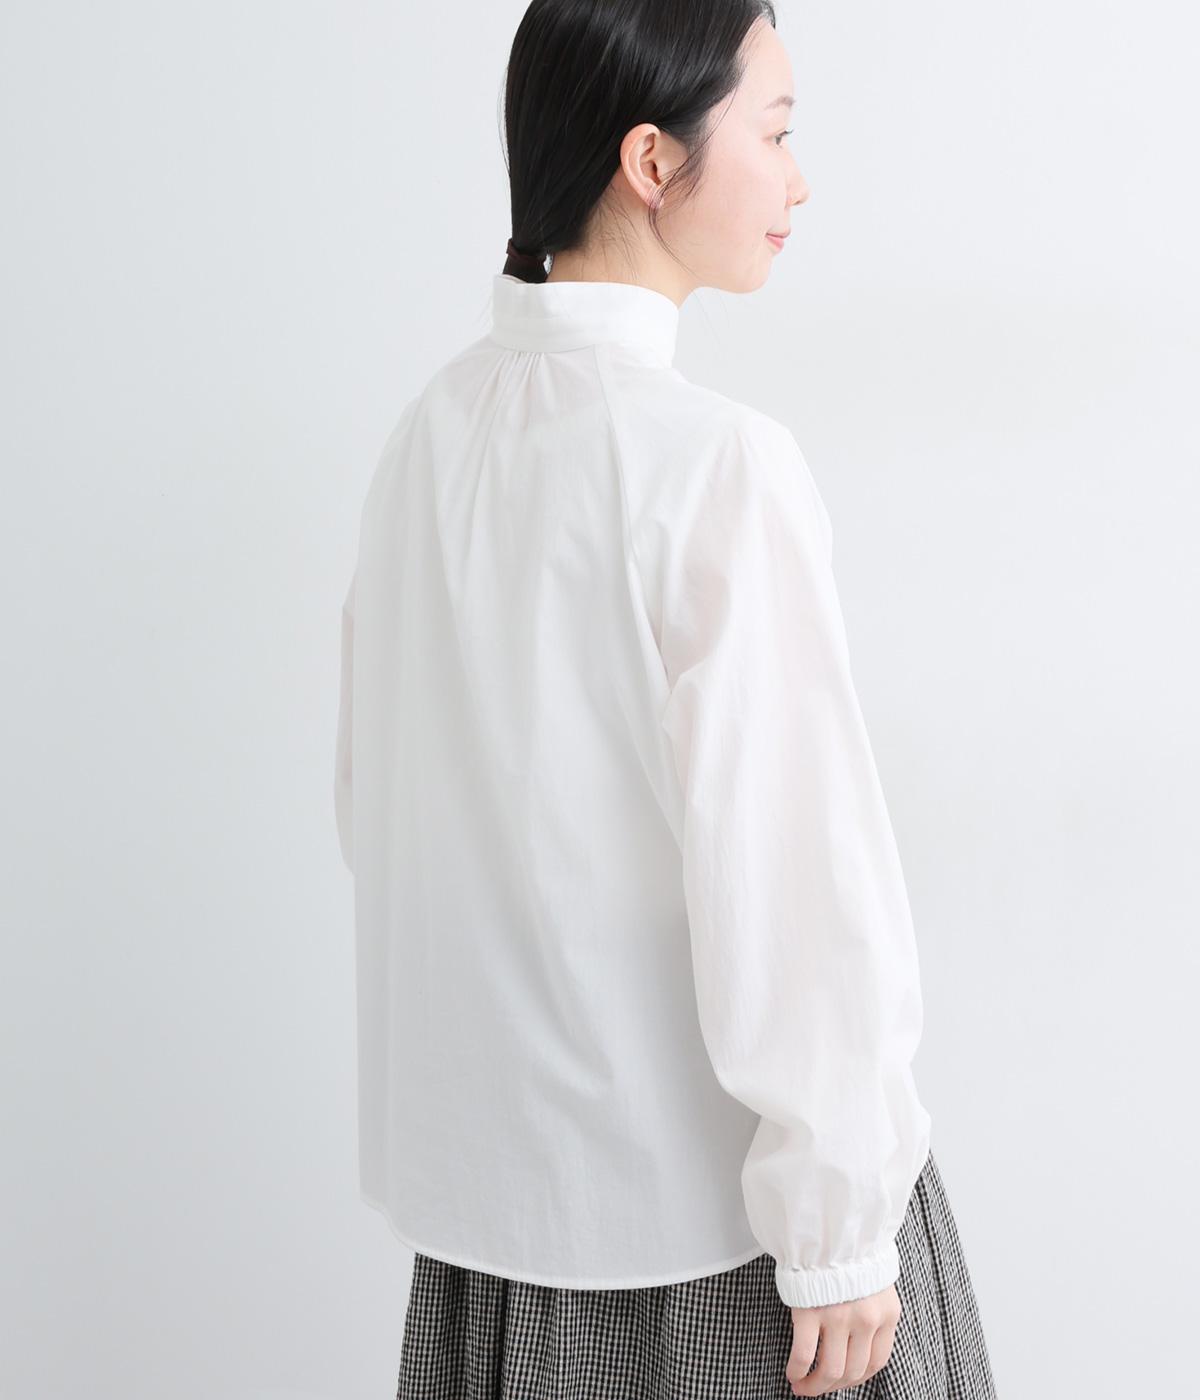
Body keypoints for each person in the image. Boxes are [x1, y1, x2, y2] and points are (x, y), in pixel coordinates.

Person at [334, 1, 997, 1395]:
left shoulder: (428, 438)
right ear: (652, 160)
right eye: (777, 132)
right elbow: (796, 881)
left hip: (489, 1254)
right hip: (728, 1248)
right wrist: (839, 1231)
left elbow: (379, 817)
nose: (800, 180)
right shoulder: (713, 466)